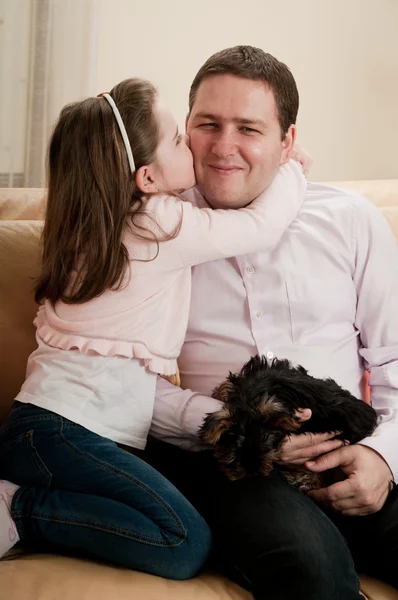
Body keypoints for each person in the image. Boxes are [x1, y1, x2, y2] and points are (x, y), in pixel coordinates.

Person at [0, 77, 308, 576]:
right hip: (64, 433)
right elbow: (260, 227)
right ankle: (21, 510)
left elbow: (134, 389)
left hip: (44, 433)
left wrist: (217, 421)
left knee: (181, 531)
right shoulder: (159, 224)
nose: (192, 144)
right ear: (146, 178)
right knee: (182, 541)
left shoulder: (101, 231)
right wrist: (291, 169)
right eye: (178, 140)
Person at [144, 46, 398, 599]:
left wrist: (385, 457)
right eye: (207, 124)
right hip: (237, 466)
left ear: (287, 143)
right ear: (186, 130)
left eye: (249, 128)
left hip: (352, 445)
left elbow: (395, 359)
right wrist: (242, 433)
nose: (223, 146)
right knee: (309, 568)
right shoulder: (154, 232)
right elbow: (128, 385)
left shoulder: (350, 220)